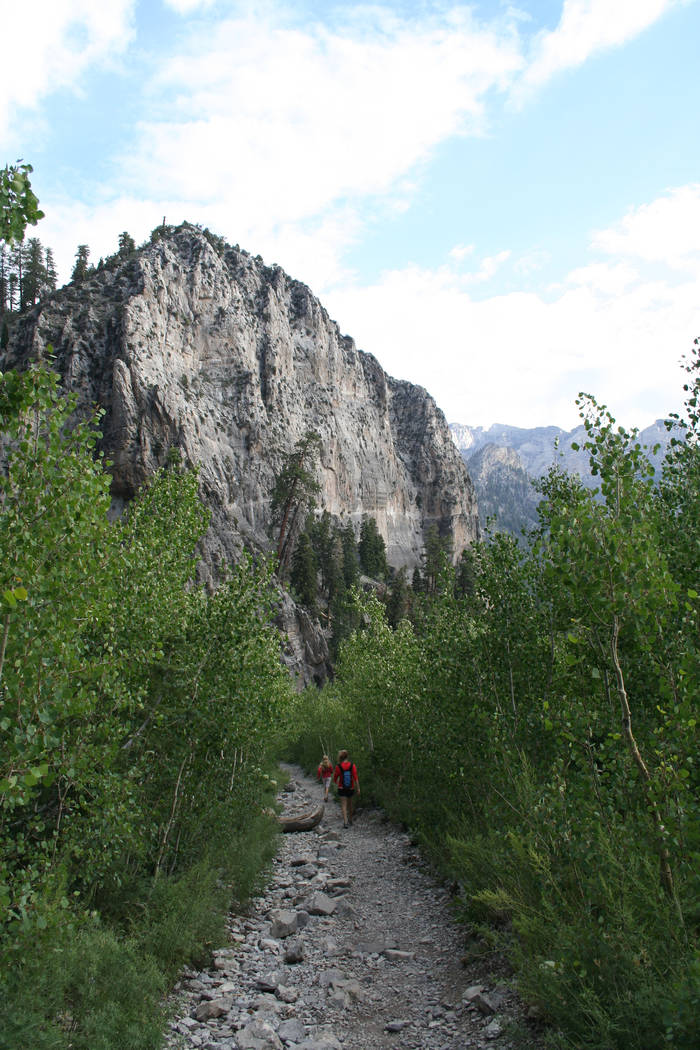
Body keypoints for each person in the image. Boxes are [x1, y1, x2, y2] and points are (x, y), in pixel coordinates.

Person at [333, 749, 360, 828]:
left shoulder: (338, 766)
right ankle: (351, 819)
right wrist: (358, 788)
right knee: (350, 804)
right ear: (347, 756)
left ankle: (345, 822)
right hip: (350, 787)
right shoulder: (352, 765)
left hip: (342, 788)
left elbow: (335, 778)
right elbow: (355, 778)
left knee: (343, 805)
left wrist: (337, 782)